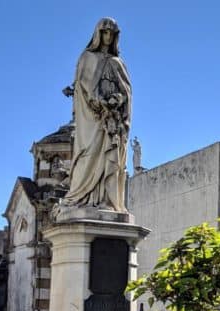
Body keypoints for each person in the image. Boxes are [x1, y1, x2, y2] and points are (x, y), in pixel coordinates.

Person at [63, 18, 132, 212]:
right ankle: (84, 197)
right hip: (93, 120)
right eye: (105, 32)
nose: (108, 37)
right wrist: (98, 102)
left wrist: (117, 100)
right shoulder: (87, 58)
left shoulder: (118, 63)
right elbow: (82, 88)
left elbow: (127, 92)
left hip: (112, 121)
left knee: (111, 159)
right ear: (98, 34)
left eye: (112, 33)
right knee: (90, 154)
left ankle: (108, 201)